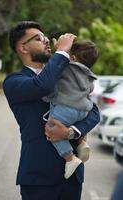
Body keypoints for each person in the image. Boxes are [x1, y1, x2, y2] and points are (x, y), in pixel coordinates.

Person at [3, 20, 100, 200]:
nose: (46, 40)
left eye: (45, 36)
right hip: (38, 177)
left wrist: (71, 132)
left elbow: (94, 112)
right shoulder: (14, 81)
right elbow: (43, 86)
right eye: (39, 38)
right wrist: (62, 52)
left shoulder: (65, 72)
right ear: (23, 48)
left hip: (72, 176)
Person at [44, 41, 98, 179]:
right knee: (72, 122)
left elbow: (54, 82)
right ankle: (82, 142)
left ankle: (70, 158)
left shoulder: (66, 68)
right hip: (84, 110)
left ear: (72, 58)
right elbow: (90, 90)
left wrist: (46, 96)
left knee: (52, 127)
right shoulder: (89, 74)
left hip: (67, 107)